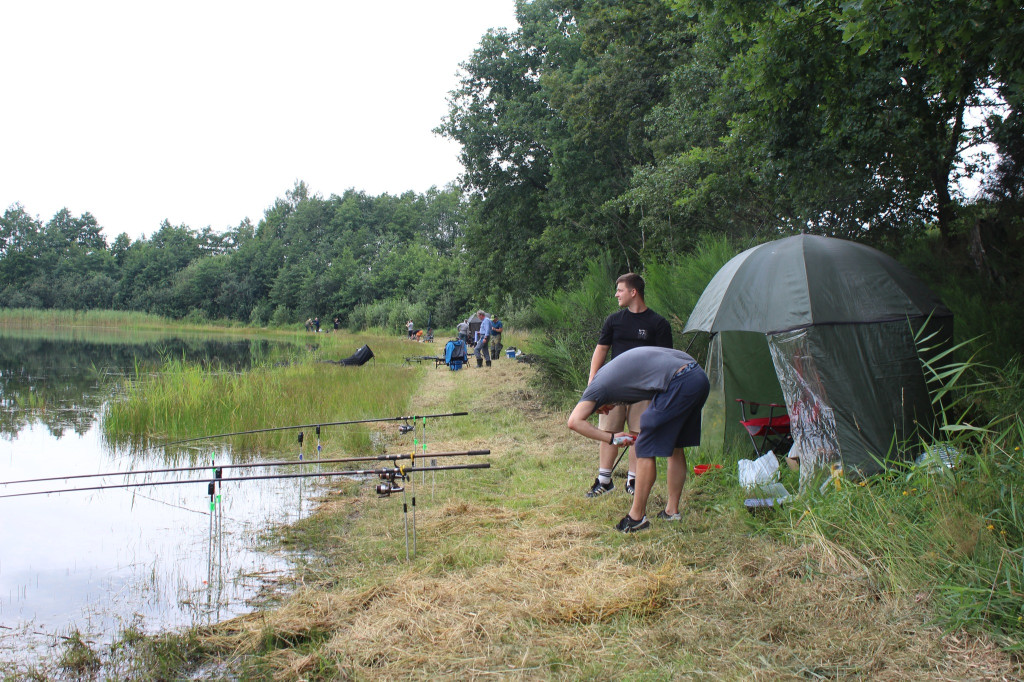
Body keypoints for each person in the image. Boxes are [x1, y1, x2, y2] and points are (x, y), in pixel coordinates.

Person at [567, 346, 709, 532]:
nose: (607, 410)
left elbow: (574, 421)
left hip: (681, 380)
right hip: (697, 377)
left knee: (644, 443)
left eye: (603, 409)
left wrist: (612, 438)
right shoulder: (608, 377)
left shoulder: (597, 388)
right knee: (676, 445)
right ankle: (671, 512)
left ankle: (636, 518)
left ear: (596, 399)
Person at [586, 273, 673, 498]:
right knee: (608, 431)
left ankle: (632, 481)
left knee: (638, 434)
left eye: (620, 290)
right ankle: (604, 481)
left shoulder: (659, 324)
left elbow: (666, 360)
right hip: (614, 387)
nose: (616, 294)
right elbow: (601, 349)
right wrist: (593, 379)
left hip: (645, 390)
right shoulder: (614, 321)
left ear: (633, 292)